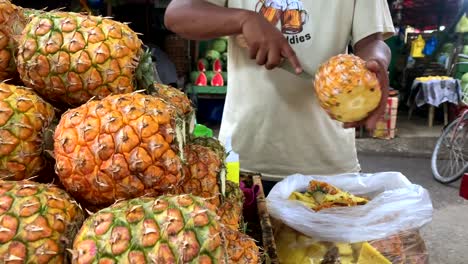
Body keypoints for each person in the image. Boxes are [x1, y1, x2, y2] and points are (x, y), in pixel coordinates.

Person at [164, 0, 395, 195]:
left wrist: (376, 64)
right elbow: (178, 13)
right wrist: (244, 19)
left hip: (329, 164)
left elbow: (372, 41)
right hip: (245, 159)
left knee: (335, 250)